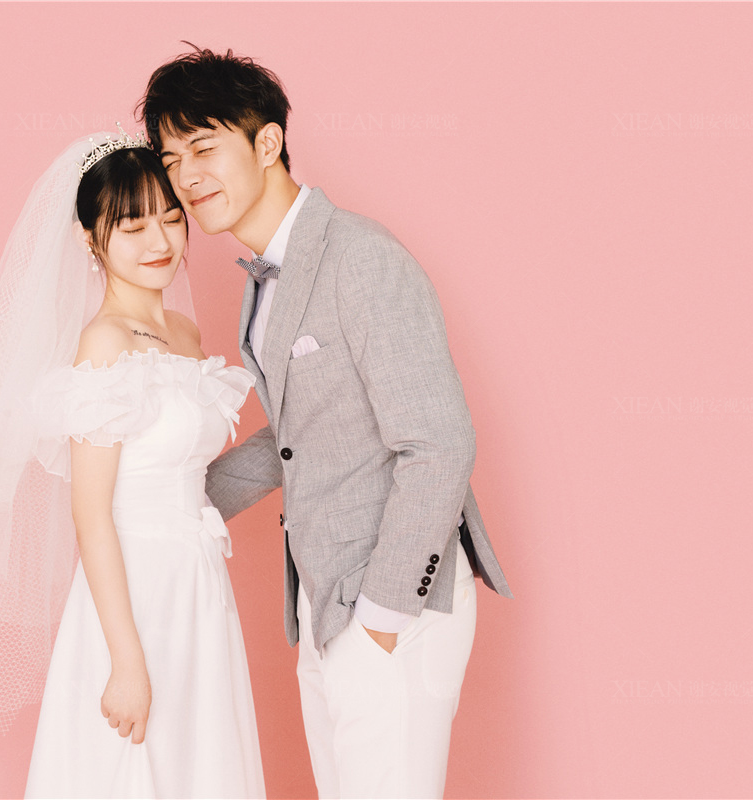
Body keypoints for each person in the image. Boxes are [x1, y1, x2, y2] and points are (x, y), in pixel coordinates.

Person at [139, 47, 515, 799]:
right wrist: (164, 496)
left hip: (387, 604)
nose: (186, 177)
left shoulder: (360, 258)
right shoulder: (264, 282)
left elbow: (439, 443)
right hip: (323, 604)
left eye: (204, 148)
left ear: (268, 143)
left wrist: (383, 615)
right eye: (172, 159)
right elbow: (300, 439)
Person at [0, 128, 265, 798]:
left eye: (170, 218)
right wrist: (125, 661)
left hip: (198, 586)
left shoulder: (185, 333)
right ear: (89, 238)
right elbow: (92, 515)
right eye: (131, 226)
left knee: (199, 763)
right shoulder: (103, 343)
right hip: (132, 594)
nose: (159, 241)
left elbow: (190, 478)